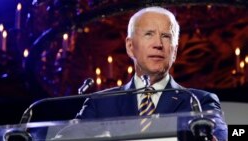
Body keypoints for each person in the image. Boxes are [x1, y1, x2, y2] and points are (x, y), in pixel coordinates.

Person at [76, 6, 227, 141]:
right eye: (149, 34)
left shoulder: (200, 101)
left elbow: (219, 137)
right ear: (130, 46)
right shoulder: (100, 103)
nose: (158, 44)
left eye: (166, 36)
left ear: (174, 51)